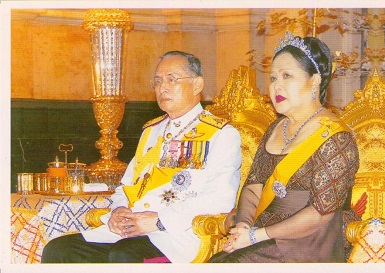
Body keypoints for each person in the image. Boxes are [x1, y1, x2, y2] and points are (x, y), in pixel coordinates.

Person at [42, 51, 242, 263]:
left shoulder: (221, 134)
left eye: (171, 79)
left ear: (197, 85)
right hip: (131, 230)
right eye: (157, 81)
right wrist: (118, 210)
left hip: (176, 235)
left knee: (124, 255)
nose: (162, 87)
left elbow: (220, 197)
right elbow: (127, 186)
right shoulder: (151, 132)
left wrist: (158, 221)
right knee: (59, 250)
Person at [209, 31, 360, 263]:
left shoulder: (336, 138)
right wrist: (243, 226)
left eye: (287, 76)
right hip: (262, 233)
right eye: (272, 78)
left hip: (310, 241)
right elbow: (254, 186)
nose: (276, 86)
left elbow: (319, 215)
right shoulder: (274, 128)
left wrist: (255, 235)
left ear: (315, 80)